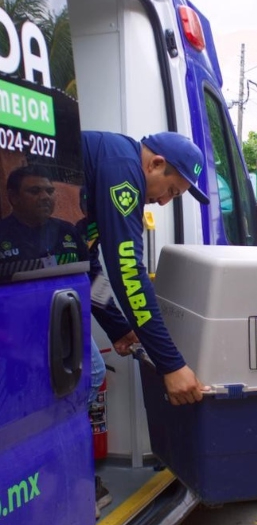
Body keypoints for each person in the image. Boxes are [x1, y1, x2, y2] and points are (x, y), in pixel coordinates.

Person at [0, 164, 140, 515]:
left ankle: (67, 468)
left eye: (48, 190)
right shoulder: (3, 235)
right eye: (34, 191)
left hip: (64, 328)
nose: (45, 196)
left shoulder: (66, 234)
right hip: (17, 337)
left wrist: (121, 328)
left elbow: (95, 283)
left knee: (90, 376)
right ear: (13, 197)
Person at [81, 130, 210, 405]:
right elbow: (128, 270)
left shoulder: (115, 160)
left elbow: (85, 264)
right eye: (171, 191)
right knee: (89, 374)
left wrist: (117, 326)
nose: (163, 202)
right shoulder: (122, 168)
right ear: (156, 164)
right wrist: (172, 365)